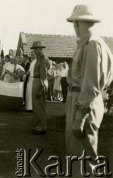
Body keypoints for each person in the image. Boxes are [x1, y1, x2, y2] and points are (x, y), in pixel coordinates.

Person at [66, 4, 113, 176]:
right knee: (79, 153)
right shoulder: (89, 43)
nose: (74, 27)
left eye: (75, 23)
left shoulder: (92, 44)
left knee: (82, 155)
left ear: (80, 23)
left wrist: (81, 115)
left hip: (84, 101)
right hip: (83, 99)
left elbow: (91, 83)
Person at [30, 41, 50, 135]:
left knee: (40, 105)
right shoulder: (38, 58)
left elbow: (43, 75)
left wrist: (40, 88)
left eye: (36, 48)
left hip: (39, 82)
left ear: (40, 49)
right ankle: (37, 125)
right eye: (34, 48)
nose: (34, 50)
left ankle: (42, 127)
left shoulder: (43, 59)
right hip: (36, 81)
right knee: (36, 106)